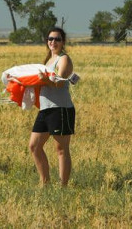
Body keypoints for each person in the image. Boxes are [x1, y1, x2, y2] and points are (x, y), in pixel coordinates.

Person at [27, 26, 76, 187]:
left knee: (61, 148)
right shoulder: (48, 60)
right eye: (50, 39)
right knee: (34, 146)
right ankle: (45, 182)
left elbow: (59, 84)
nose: (53, 42)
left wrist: (44, 80)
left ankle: (63, 187)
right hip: (45, 109)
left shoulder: (64, 59)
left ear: (63, 42)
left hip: (60, 108)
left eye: (57, 39)